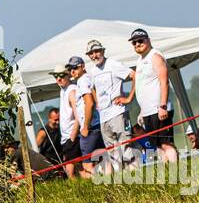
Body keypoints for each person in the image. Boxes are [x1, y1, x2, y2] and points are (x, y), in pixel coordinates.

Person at [122, 28, 178, 164]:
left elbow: (164, 82)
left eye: (140, 40)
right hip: (148, 112)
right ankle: (168, 174)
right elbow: (143, 85)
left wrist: (163, 106)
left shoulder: (155, 56)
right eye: (134, 42)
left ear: (148, 40)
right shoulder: (140, 60)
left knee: (166, 144)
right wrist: (142, 111)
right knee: (158, 145)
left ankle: (176, 169)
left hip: (159, 109)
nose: (137, 44)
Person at [85, 39, 134, 169]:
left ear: (103, 51)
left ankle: (136, 178)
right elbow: (92, 88)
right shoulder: (92, 71)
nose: (94, 55)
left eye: (97, 51)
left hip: (118, 113)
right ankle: (121, 183)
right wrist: (97, 104)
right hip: (104, 117)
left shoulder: (113, 64)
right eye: (91, 53)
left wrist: (129, 98)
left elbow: (134, 75)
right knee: (112, 152)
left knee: (126, 149)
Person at [67, 55, 101, 176]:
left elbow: (89, 103)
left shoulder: (82, 80)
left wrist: (85, 126)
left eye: (75, 68)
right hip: (96, 125)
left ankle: (95, 191)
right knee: (101, 161)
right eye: (70, 69)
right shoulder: (87, 78)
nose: (72, 71)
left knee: (87, 164)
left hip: (90, 128)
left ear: (82, 67)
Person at [52, 66, 85, 179]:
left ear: (68, 76)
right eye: (56, 76)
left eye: (61, 76)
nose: (58, 79)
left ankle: (90, 192)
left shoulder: (72, 91)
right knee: (73, 171)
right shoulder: (63, 91)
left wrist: (72, 137)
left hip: (73, 137)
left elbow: (79, 116)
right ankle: (84, 193)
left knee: (79, 170)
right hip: (66, 137)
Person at [35, 106, 67, 174]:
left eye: (59, 119)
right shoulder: (43, 132)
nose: (57, 122)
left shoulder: (60, 129)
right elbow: (35, 149)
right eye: (55, 120)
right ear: (49, 119)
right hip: (48, 164)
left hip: (60, 161)